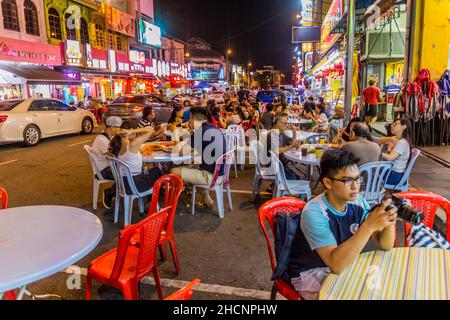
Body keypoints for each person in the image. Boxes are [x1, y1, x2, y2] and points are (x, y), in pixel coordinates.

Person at [288, 149, 397, 299]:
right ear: (327, 182)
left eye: (358, 179)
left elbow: (385, 245)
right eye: (347, 181)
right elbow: (336, 265)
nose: (355, 186)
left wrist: (389, 218)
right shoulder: (314, 212)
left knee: (383, 287)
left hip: (342, 263)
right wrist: (369, 226)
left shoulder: (357, 201)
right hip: (311, 272)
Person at [171, 107, 226, 207]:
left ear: (195, 119)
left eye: (190, 119)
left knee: (174, 171)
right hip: (220, 172)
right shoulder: (212, 127)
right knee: (190, 166)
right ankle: (207, 199)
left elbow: (180, 152)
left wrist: (175, 133)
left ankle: (172, 203)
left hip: (211, 176)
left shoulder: (200, 131)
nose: (189, 122)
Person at [108, 126, 163, 196]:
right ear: (126, 133)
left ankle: (151, 197)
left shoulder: (119, 147)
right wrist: (133, 130)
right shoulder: (132, 145)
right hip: (135, 186)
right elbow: (150, 129)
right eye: (129, 130)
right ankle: (153, 198)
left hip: (124, 184)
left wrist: (132, 132)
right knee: (157, 171)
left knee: (153, 171)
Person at [91, 116, 123, 209]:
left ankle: (116, 191)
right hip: (102, 171)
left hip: (107, 166)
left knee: (129, 172)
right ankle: (110, 192)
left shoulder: (106, 136)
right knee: (128, 174)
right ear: (112, 127)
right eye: (118, 127)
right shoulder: (102, 140)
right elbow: (115, 156)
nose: (119, 130)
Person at [266, 113, 301, 180]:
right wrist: (292, 146)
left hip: (280, 163)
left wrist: (294, 132)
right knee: (296, 179)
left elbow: (292, 143)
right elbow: (277, 151)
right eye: (284, 123)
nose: (286, 125)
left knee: (297, 177)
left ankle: (275, 186)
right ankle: (277, 186)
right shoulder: (272, 135)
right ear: (277, 123)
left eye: (287, 123)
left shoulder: (281, 133)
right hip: (274, 165)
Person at [379, 118, 412, 186]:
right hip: (392, 173)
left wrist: (376, 152)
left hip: (394, 175)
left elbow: (390, 157)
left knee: (371, 176)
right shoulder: (395, 139)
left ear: (404, 127)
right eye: (392, 124)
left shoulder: (402, 142)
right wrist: (390, 139)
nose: (392, 126)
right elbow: (379, 140)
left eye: (395, 124)